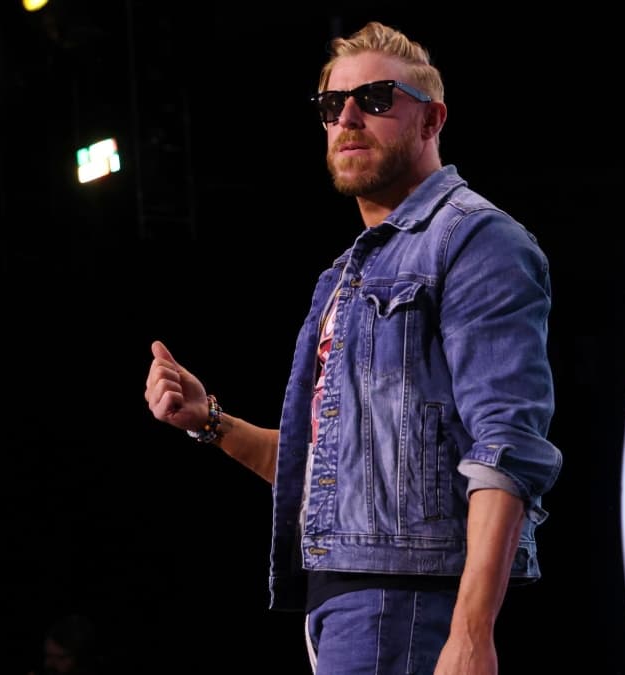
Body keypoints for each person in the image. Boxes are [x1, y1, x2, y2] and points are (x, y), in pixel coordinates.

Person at [145, 20, 561, 675]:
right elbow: (336, 476)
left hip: (410, 605)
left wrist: (473, 630)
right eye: (330, 105)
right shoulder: (341, 275)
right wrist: (212, 422)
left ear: (431, 119)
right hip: (338, 605)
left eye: (373, 100)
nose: (346, 117)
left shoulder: (478, 240)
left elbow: (507, 448)